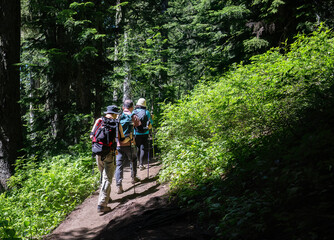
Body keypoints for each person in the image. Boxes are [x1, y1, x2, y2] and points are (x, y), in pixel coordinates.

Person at [90, 105, 125, 213]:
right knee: (107, 178)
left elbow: (91, 136)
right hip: (110, 153)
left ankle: (106, 196)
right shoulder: (116, 123)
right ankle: (102, 204)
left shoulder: (99, 120)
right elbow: (122, 139)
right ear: (115, 114)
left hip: (97, 152)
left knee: (102, 174)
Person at [115, 99, 141, 194]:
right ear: (132, 107)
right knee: (133, 159)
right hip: (130, 142)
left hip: (118, 144)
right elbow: (138, 124)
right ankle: (133, 177)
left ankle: (119, 185)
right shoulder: (133, 116)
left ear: (123, 107)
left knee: (119, 165)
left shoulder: (118, 116)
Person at [133, 98, 153, 171]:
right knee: (143, 147)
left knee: (138, 147)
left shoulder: (134, 112)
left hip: (136, 132)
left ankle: (138, 162)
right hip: (145, 132)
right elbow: (151, 123)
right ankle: (141, 164)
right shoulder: (147, 112)